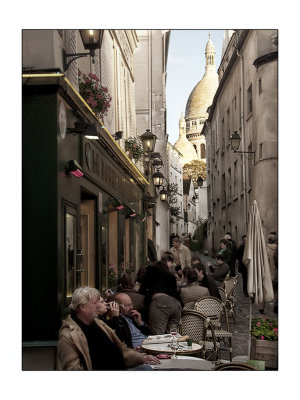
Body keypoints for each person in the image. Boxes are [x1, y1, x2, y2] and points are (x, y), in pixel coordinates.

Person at [57, 287, 159, 370]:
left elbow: (120, 349)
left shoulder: (98, 323)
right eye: (95, 302)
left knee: (150, 367)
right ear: (83, 307)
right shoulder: (69, 335)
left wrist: (142, 358)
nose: (100, 305)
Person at [139, 261, 182, 335]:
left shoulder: (151, 271)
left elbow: (143, 289)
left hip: (160, 304)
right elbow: (176, 291)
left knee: (157, 336)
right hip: (176, 304)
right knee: (172, 335)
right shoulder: (170, 275)